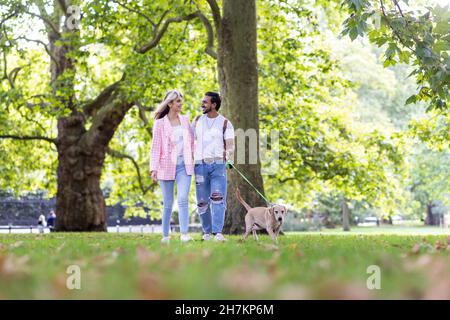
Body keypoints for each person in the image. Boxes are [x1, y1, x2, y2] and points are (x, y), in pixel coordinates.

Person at [150, 90, 195, 244]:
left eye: (181, 101)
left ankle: (184, 234)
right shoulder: (159, 124)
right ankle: (165, 236)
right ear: (170, 104)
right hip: (166, 165)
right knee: (168, 203)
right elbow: (155, 147)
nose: (180, 104)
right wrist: (153, 168)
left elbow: (192, 142)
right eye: (177, 102)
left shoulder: (185, 120)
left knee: (183, 199)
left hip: (185, 164)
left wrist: (196, 158)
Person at [192, 92, 235, 241]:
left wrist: (229, 157)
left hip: (218, 165)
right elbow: (190, 142)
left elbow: (230, 145)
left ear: (214, 104)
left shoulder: (225, 123)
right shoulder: (197, 120)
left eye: (205, 102)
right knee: (202, 200)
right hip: (199, 165)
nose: (202, 104)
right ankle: (206, 233)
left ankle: (217, 233)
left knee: (218, 198)